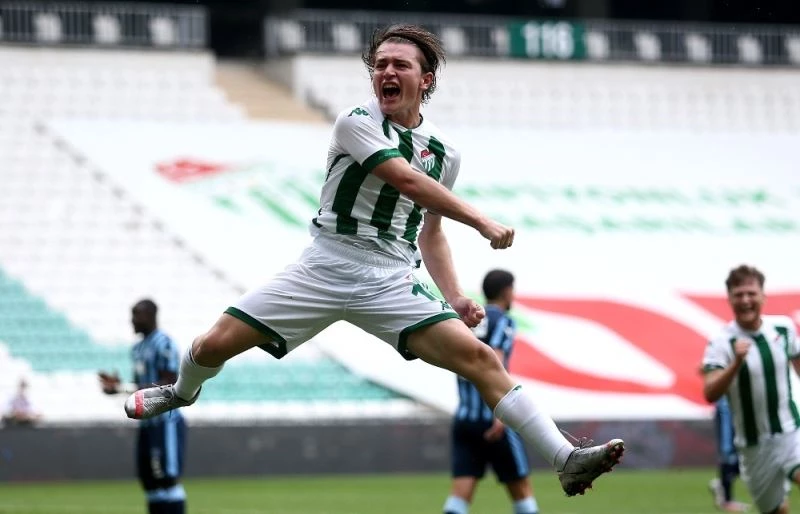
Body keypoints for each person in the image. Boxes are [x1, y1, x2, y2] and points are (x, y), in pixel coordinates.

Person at [124, 24, 624, 497]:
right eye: (380, 64)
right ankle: (182, 392)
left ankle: (564, 458)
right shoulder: (356, 121)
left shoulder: (444, 154)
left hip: (391, 279)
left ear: (425, 80)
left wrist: (453, 295)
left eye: (400, 65)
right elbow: (404, 179)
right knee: (212, 345)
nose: (387, 72)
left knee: (481, 359)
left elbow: (430, 231)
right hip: (325, 265)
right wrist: (482, 221)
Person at [702, 265, 800, 514]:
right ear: (730, 299)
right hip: (754, 447)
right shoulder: (722, 342)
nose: (745, 300)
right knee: (778, 511)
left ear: (763, 296)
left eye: (751, 293)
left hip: (790, 433)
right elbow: (710, 392)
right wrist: (735, 363)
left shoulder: (783, 328)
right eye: (739, 295)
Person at [443, 269, 539, 514]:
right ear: (507, 291)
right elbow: (492, 363)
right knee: (521, 489)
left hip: (465, 419)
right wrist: (501, 414)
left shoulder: (468, 320)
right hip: (495, 417)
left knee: (460, 492)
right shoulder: (503, 321)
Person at [99, 299, 187, 514]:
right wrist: (118, 387)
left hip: (165, 422)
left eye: (136, 315)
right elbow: (140, 386)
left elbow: (169, 383)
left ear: (151, 315)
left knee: (166, 478)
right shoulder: (138, 348)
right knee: (149, 480)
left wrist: (123, 387)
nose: (132, 320)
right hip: (146, 423)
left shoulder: (164, 343)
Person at [708, 397, 750, 512]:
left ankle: (722, 484)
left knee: (742, 454)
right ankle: (726, 499)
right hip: (727, 404)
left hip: (737, 405)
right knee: (728, 450)